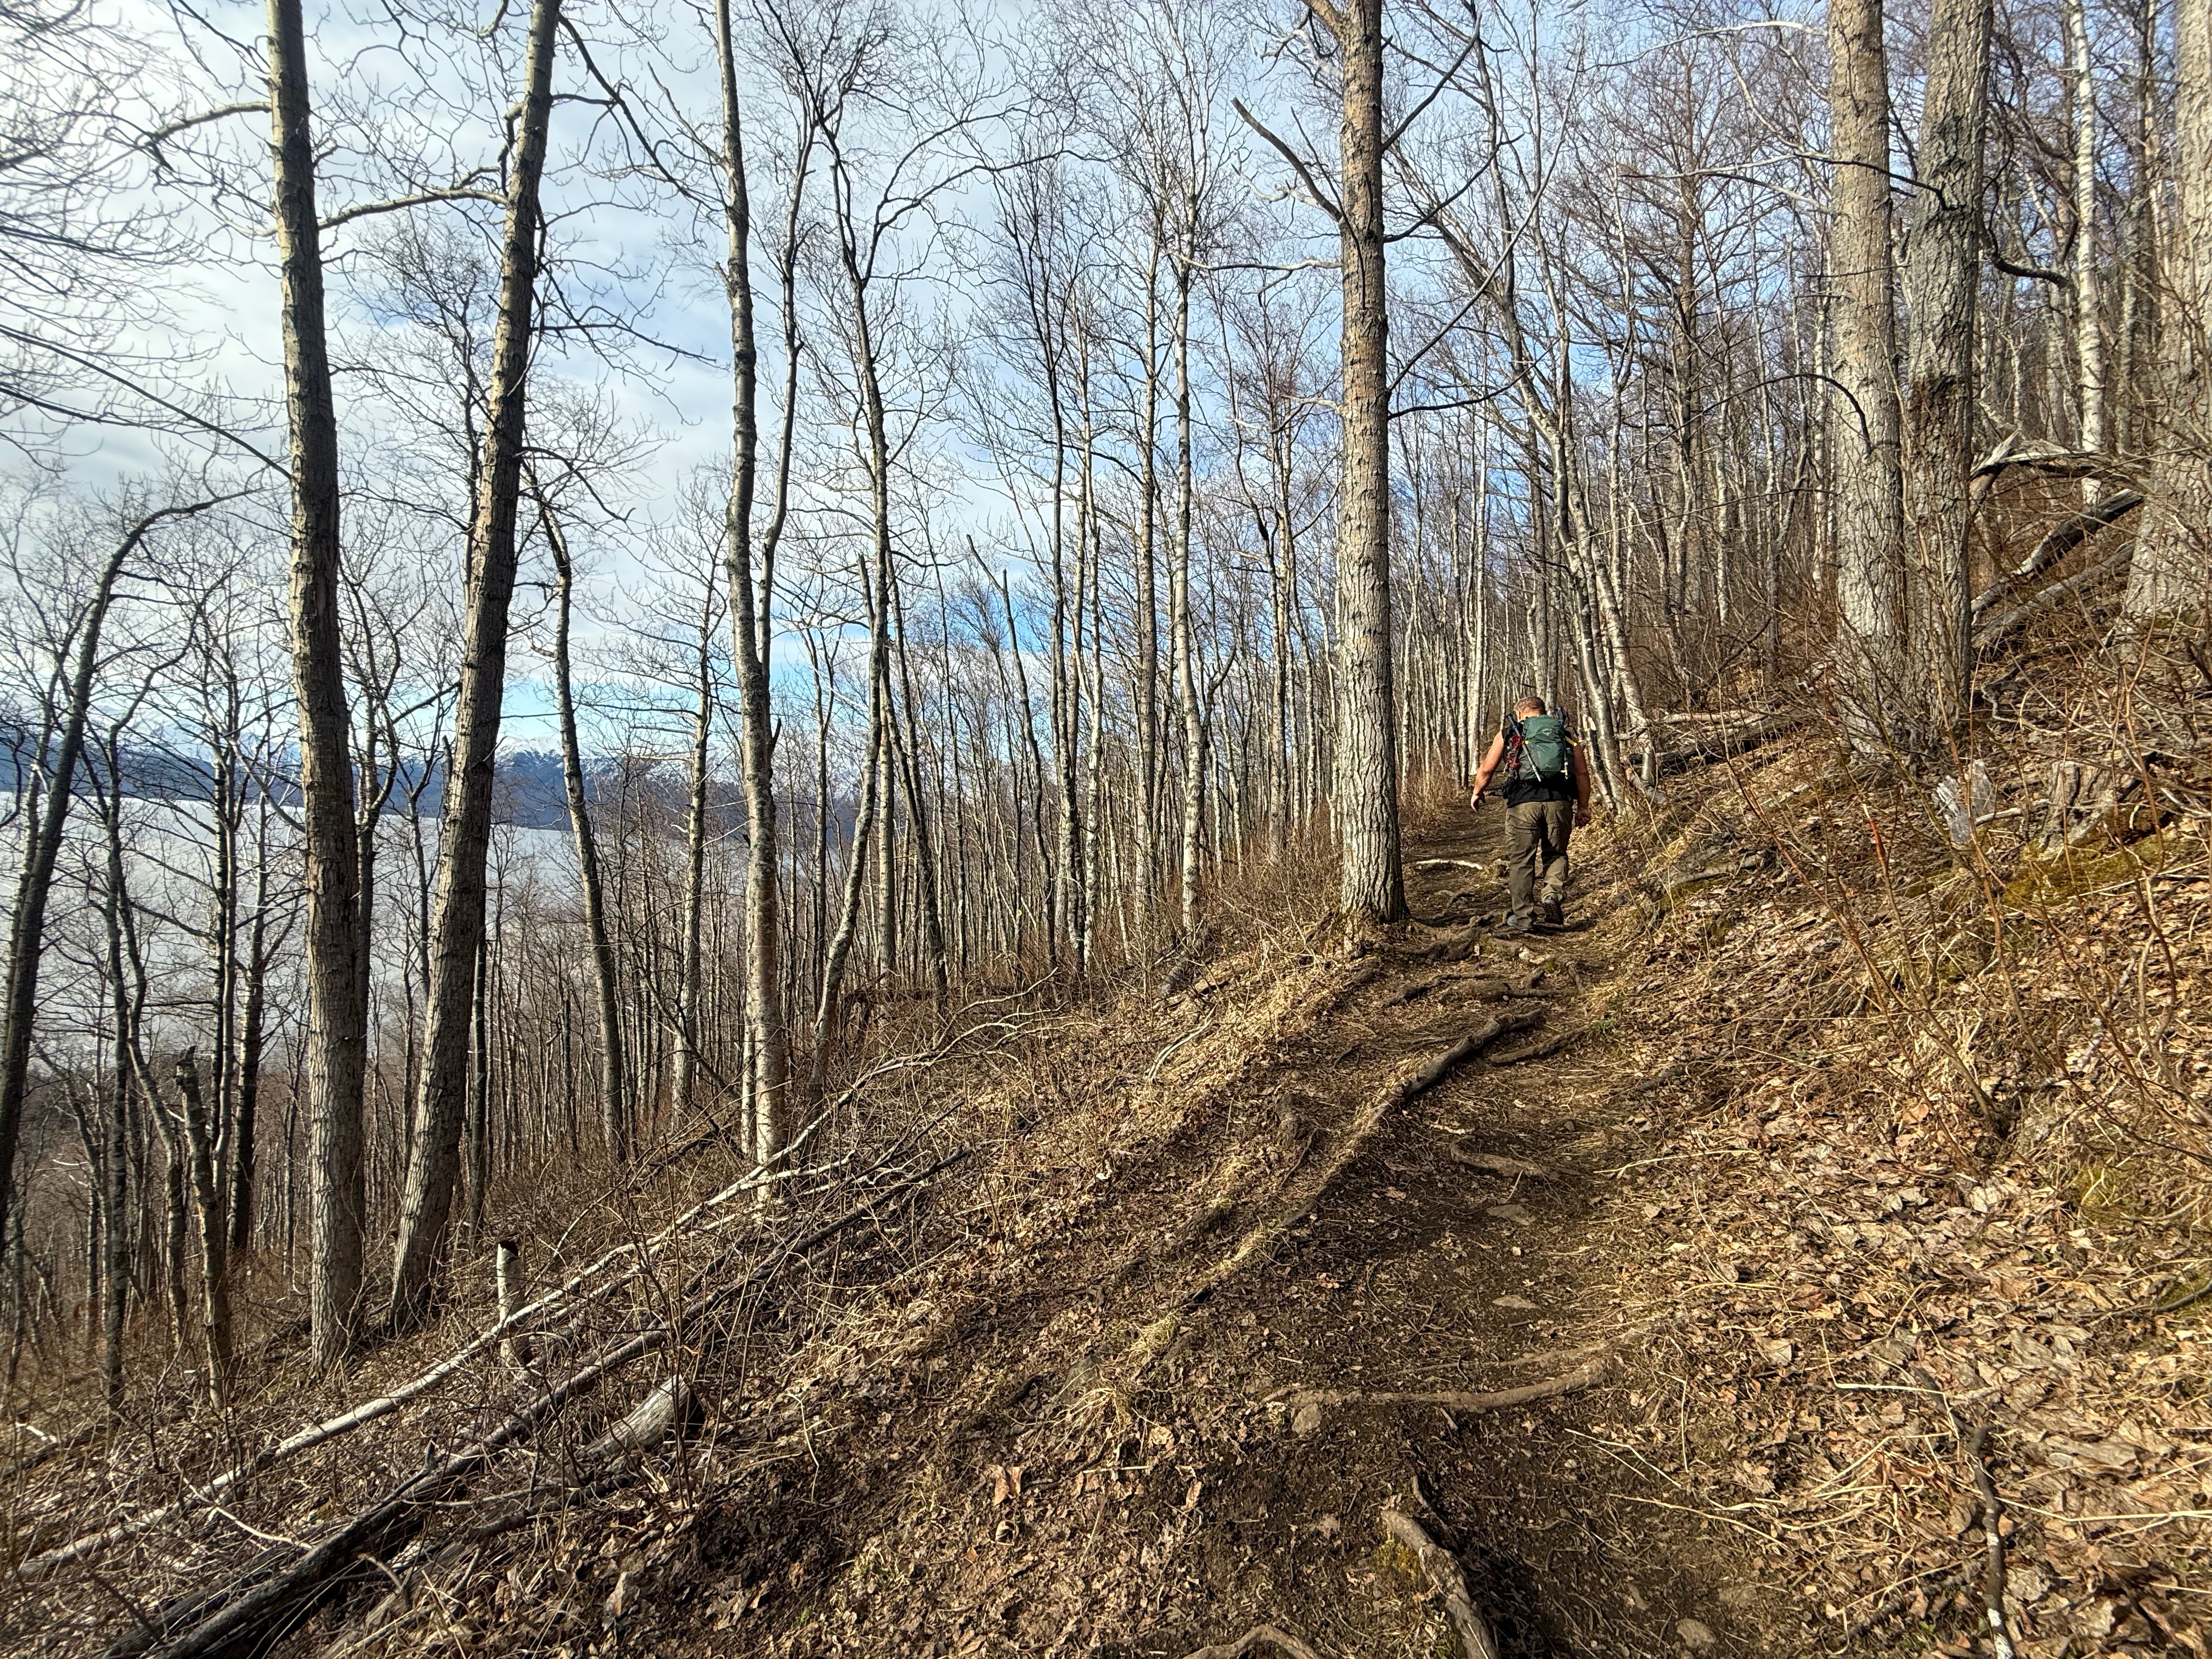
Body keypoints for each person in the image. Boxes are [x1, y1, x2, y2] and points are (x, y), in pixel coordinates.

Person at [1466, 696, 1592, 934]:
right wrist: (1583, 807)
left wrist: (1477, 792)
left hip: (1522, 804)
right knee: (1556, 853)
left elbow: (1487, 768)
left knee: (1522, 860)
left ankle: (1524, 917)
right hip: (1560, 803)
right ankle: (1552, 896)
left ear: (1521, 713)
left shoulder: (1511, 732)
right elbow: (1582, 773)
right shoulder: (1564, 734)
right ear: (1542, 712)